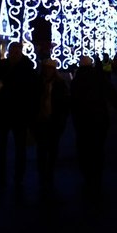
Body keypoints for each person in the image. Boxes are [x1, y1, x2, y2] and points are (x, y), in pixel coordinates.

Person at [70, 54, 117, 199]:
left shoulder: (76, 80)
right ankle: (97, 172)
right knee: (98, 147)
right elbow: (111, 94)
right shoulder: (98, 77)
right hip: (99, 118)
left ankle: (86, 172)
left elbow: (72, 101)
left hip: (82, 119)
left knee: (84, 146)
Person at [0, 41, 36, 188]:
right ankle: (1, 176)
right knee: (1, 147)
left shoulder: (27, 67)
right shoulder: (3, 66)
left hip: (19, 113)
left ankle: (18, 177)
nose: (14, 54)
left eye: (16, 52)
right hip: (4, 112)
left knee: (19, 148)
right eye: (12, 52)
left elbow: (32, 91)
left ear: (20, 52)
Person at [31, 58, 70, 197]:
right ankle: (42, 173)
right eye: (46, 68)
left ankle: (50, 172)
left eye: (50, 68)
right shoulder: (38, 83)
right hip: (41, 120)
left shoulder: (60, 84)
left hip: (54, 120)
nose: (48, 71)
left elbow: (65, 104)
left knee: (53, 148)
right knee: (41, 148)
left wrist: (62, 119)